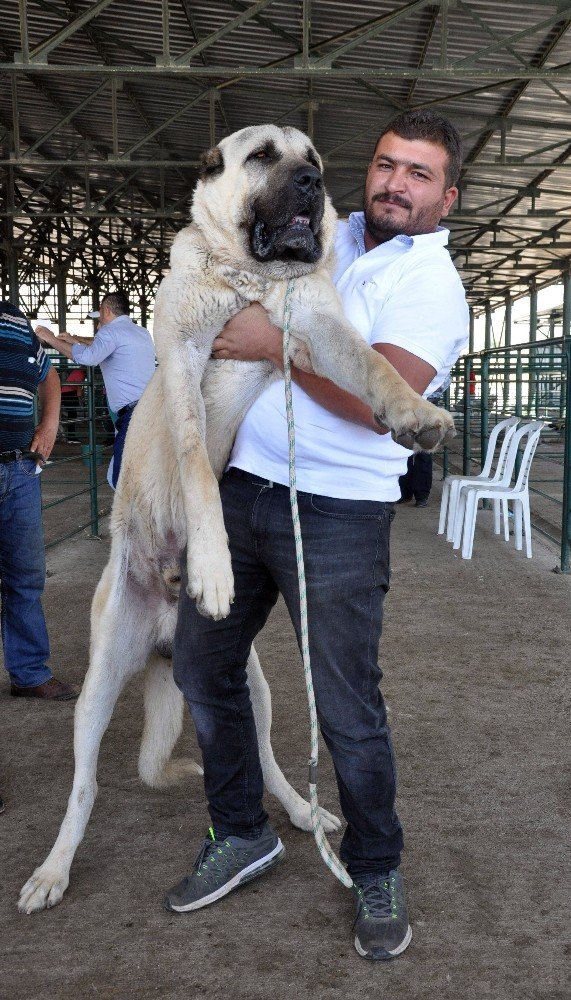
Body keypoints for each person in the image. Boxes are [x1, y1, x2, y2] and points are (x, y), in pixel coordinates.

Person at [167, 111, 469, 961]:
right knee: (201, 665)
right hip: (241, 491)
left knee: (346, 706)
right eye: (384, 165)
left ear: (448, 196)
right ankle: (241, 830)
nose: (394, 183)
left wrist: (276, 342)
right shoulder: (321, 237)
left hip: (335, 513)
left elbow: (386, 406)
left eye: (418, 174)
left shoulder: (432, 286)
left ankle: (376, 865)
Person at [0, 300, 79, 700]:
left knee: (25, 577)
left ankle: (29, 674)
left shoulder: (14, 317)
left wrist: (49, 425)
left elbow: (46, 373)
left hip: (19, 470)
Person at [35, 291, 155, 488]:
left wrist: (51, 339)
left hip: (134, 416)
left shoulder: (110, 332)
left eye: (99, 316)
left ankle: (133, 516)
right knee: (136, 470)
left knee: (121, 477)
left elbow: (88, 357)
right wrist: (76, 339)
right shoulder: (141, 332)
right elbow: (103, 345)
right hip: (151, 409)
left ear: (107, 310)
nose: (99, 324)